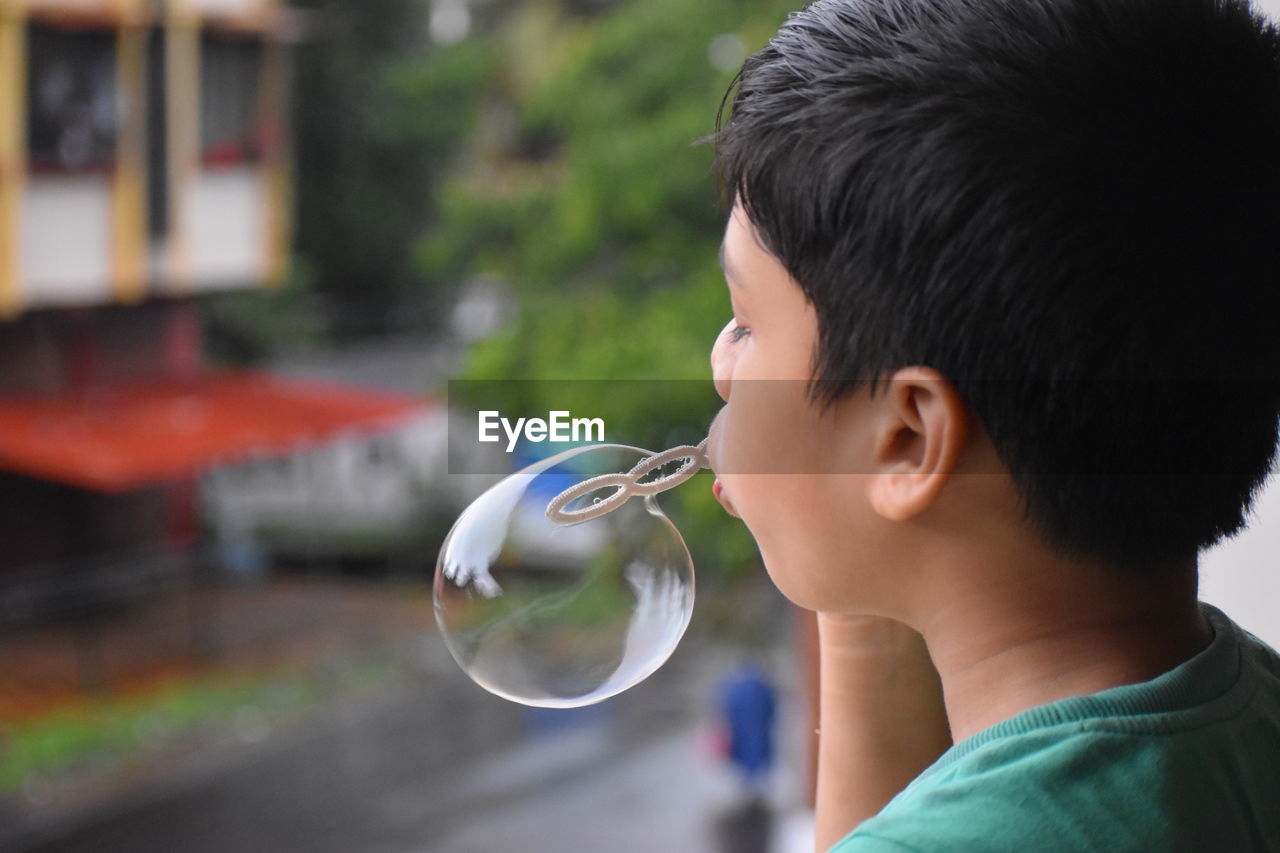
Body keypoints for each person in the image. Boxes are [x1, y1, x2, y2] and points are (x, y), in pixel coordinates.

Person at [702, 0, 1280, 850]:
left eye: (746, 324)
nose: (720, 365)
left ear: (907, 436)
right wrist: (855, 561)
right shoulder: (1247, 719)